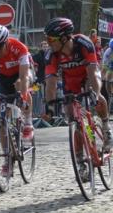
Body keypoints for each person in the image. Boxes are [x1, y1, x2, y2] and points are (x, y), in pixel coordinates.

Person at [44, 17, 113, 150]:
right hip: (70, 81)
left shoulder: (83, 43)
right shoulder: (51, 54)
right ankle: (80, 158)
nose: (48, 43)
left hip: (87, 76)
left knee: (95, 94)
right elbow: (50, 83)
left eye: (51, 39)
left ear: (64, 39)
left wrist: (96, 94)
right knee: (72, 118)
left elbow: (93, 73)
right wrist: (50, 108)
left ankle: (106, 127)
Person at [0, 25, 33, 176]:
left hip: (22, 74)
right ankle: (7, 159)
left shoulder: (19, 48)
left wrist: (23, 97)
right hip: (4, 77)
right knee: (2, 120)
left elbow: (24, 77)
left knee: (22, 85)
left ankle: (28, 121)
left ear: (6, 42)